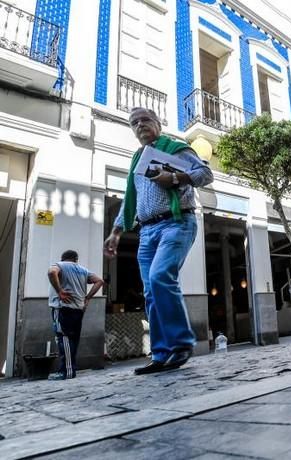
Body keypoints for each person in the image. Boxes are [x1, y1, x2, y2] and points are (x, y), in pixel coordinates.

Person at [103, 108, 213, 375]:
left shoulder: (175, 147)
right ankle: (162, 354)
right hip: (147, 231)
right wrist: (117, 231)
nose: (140, 125)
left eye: (145, 120)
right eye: (135, 123)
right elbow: (131, 197)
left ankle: (181, 343)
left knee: (161, 275)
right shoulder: (137, 158)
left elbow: (204, 175)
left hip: (176, 222)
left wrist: (175, 178)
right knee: (151, 292)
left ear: (157, 124)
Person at [47, 250, 104, 380]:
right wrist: (88, 297)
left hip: (62, 307)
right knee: (73, 340)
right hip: (78, 309)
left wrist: (60, 291)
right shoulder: (83, 270)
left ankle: (66, 371)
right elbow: (99, 281)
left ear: (63, 258)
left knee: (64, 338)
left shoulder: (59, 265)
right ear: (76, 259)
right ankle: (70, 368)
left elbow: (51, 272)